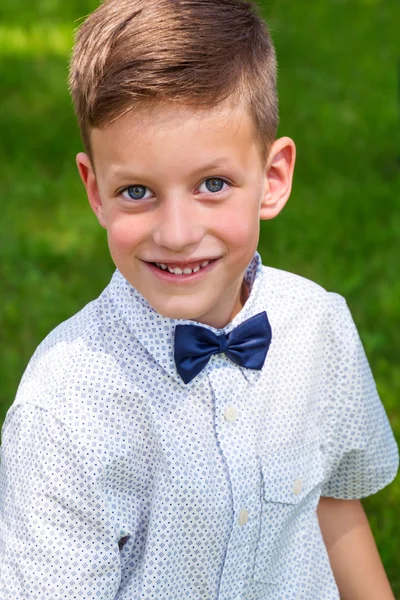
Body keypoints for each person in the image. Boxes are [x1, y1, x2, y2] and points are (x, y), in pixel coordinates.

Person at [0, 0, 398, 598]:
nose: (179, 233)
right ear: (95, 191)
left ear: (273, 178)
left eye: (213, 184)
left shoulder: (318, 326)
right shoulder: (65, 411)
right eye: (137, 191)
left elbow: (333, 508)